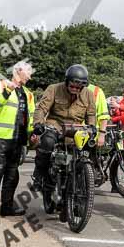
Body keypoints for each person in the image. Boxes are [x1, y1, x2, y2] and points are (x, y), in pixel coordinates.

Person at [31, 64, 97, 219]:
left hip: (76, 128)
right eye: (73, 84)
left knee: (88, 150)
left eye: (79, 85)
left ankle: (84, 184)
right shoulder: (54, 88)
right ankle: (39, 175)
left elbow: (91, 114)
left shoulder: (88, 95)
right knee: (46, 143)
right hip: (55, 125)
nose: (75, 87)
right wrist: (39, 124)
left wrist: (93, 127)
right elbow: (41, 109)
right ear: (67, 81)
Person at [0, 61, 35, 222]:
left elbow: (30, 116)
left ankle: (7, 207)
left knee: (12, 175)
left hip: (19, 140)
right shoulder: (0, 85)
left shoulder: (28, 93)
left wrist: (32, 133)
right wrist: (7, 92)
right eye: (29, 72)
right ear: (19, 70)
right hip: (0, 137)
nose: (30, 75)